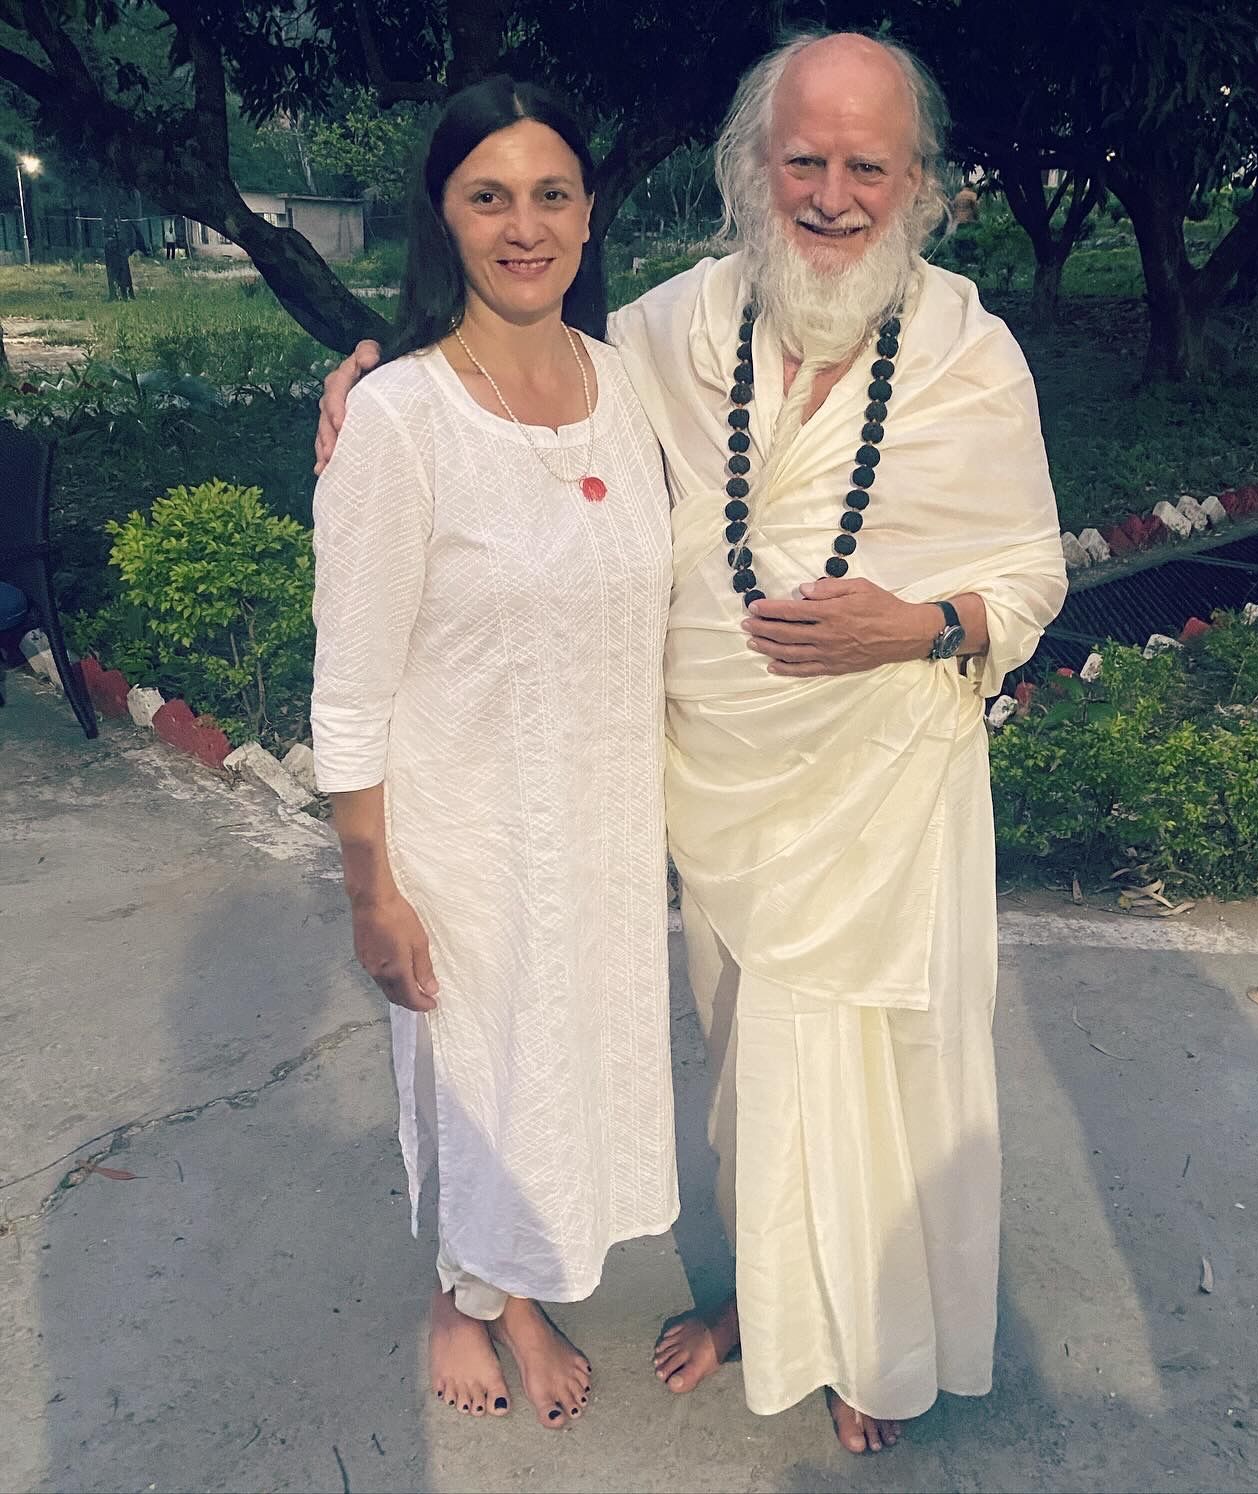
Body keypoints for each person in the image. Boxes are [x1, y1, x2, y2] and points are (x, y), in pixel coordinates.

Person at [317, 29, 1066, 1457]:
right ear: (750, 170)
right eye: (804, 160)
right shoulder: (666, 336)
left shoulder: (975, 355)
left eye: (867, 165)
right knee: (749, 1075)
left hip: (892, 797)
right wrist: (368, 385)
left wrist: (916, 624)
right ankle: (763, 1304)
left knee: (893, 1078)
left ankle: (872, 1332)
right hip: (721, 790)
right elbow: (495, 414)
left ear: (919, 184)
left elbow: (1032, 577)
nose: (832, 195)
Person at [309, 77, 677, 1431]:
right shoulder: (400, 420)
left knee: (562, 1072)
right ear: (444, 218)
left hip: (598, 822)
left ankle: (507, 1279)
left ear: (588, 215)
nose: (524, 226)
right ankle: (473, 1297)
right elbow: (347, 687)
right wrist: (371, 885)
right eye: (488, 196)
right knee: (484, 1077)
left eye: (552, 193)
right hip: (463, 831)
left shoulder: (633, 384)